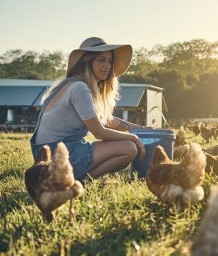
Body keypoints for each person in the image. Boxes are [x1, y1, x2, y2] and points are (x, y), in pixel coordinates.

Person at [30, 37, 146, 181]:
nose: (107, 65)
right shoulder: (80, 88)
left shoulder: (71, 84)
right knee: (129, 148)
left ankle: (79, 179)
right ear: (87, 61)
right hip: (57, 155)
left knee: (127, 147)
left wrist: (142, 129)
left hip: (45, 157)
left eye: (110, 61)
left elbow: (105, 121)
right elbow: (99, 132)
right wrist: (134, 137)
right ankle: (81, 181)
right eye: (101, 60)